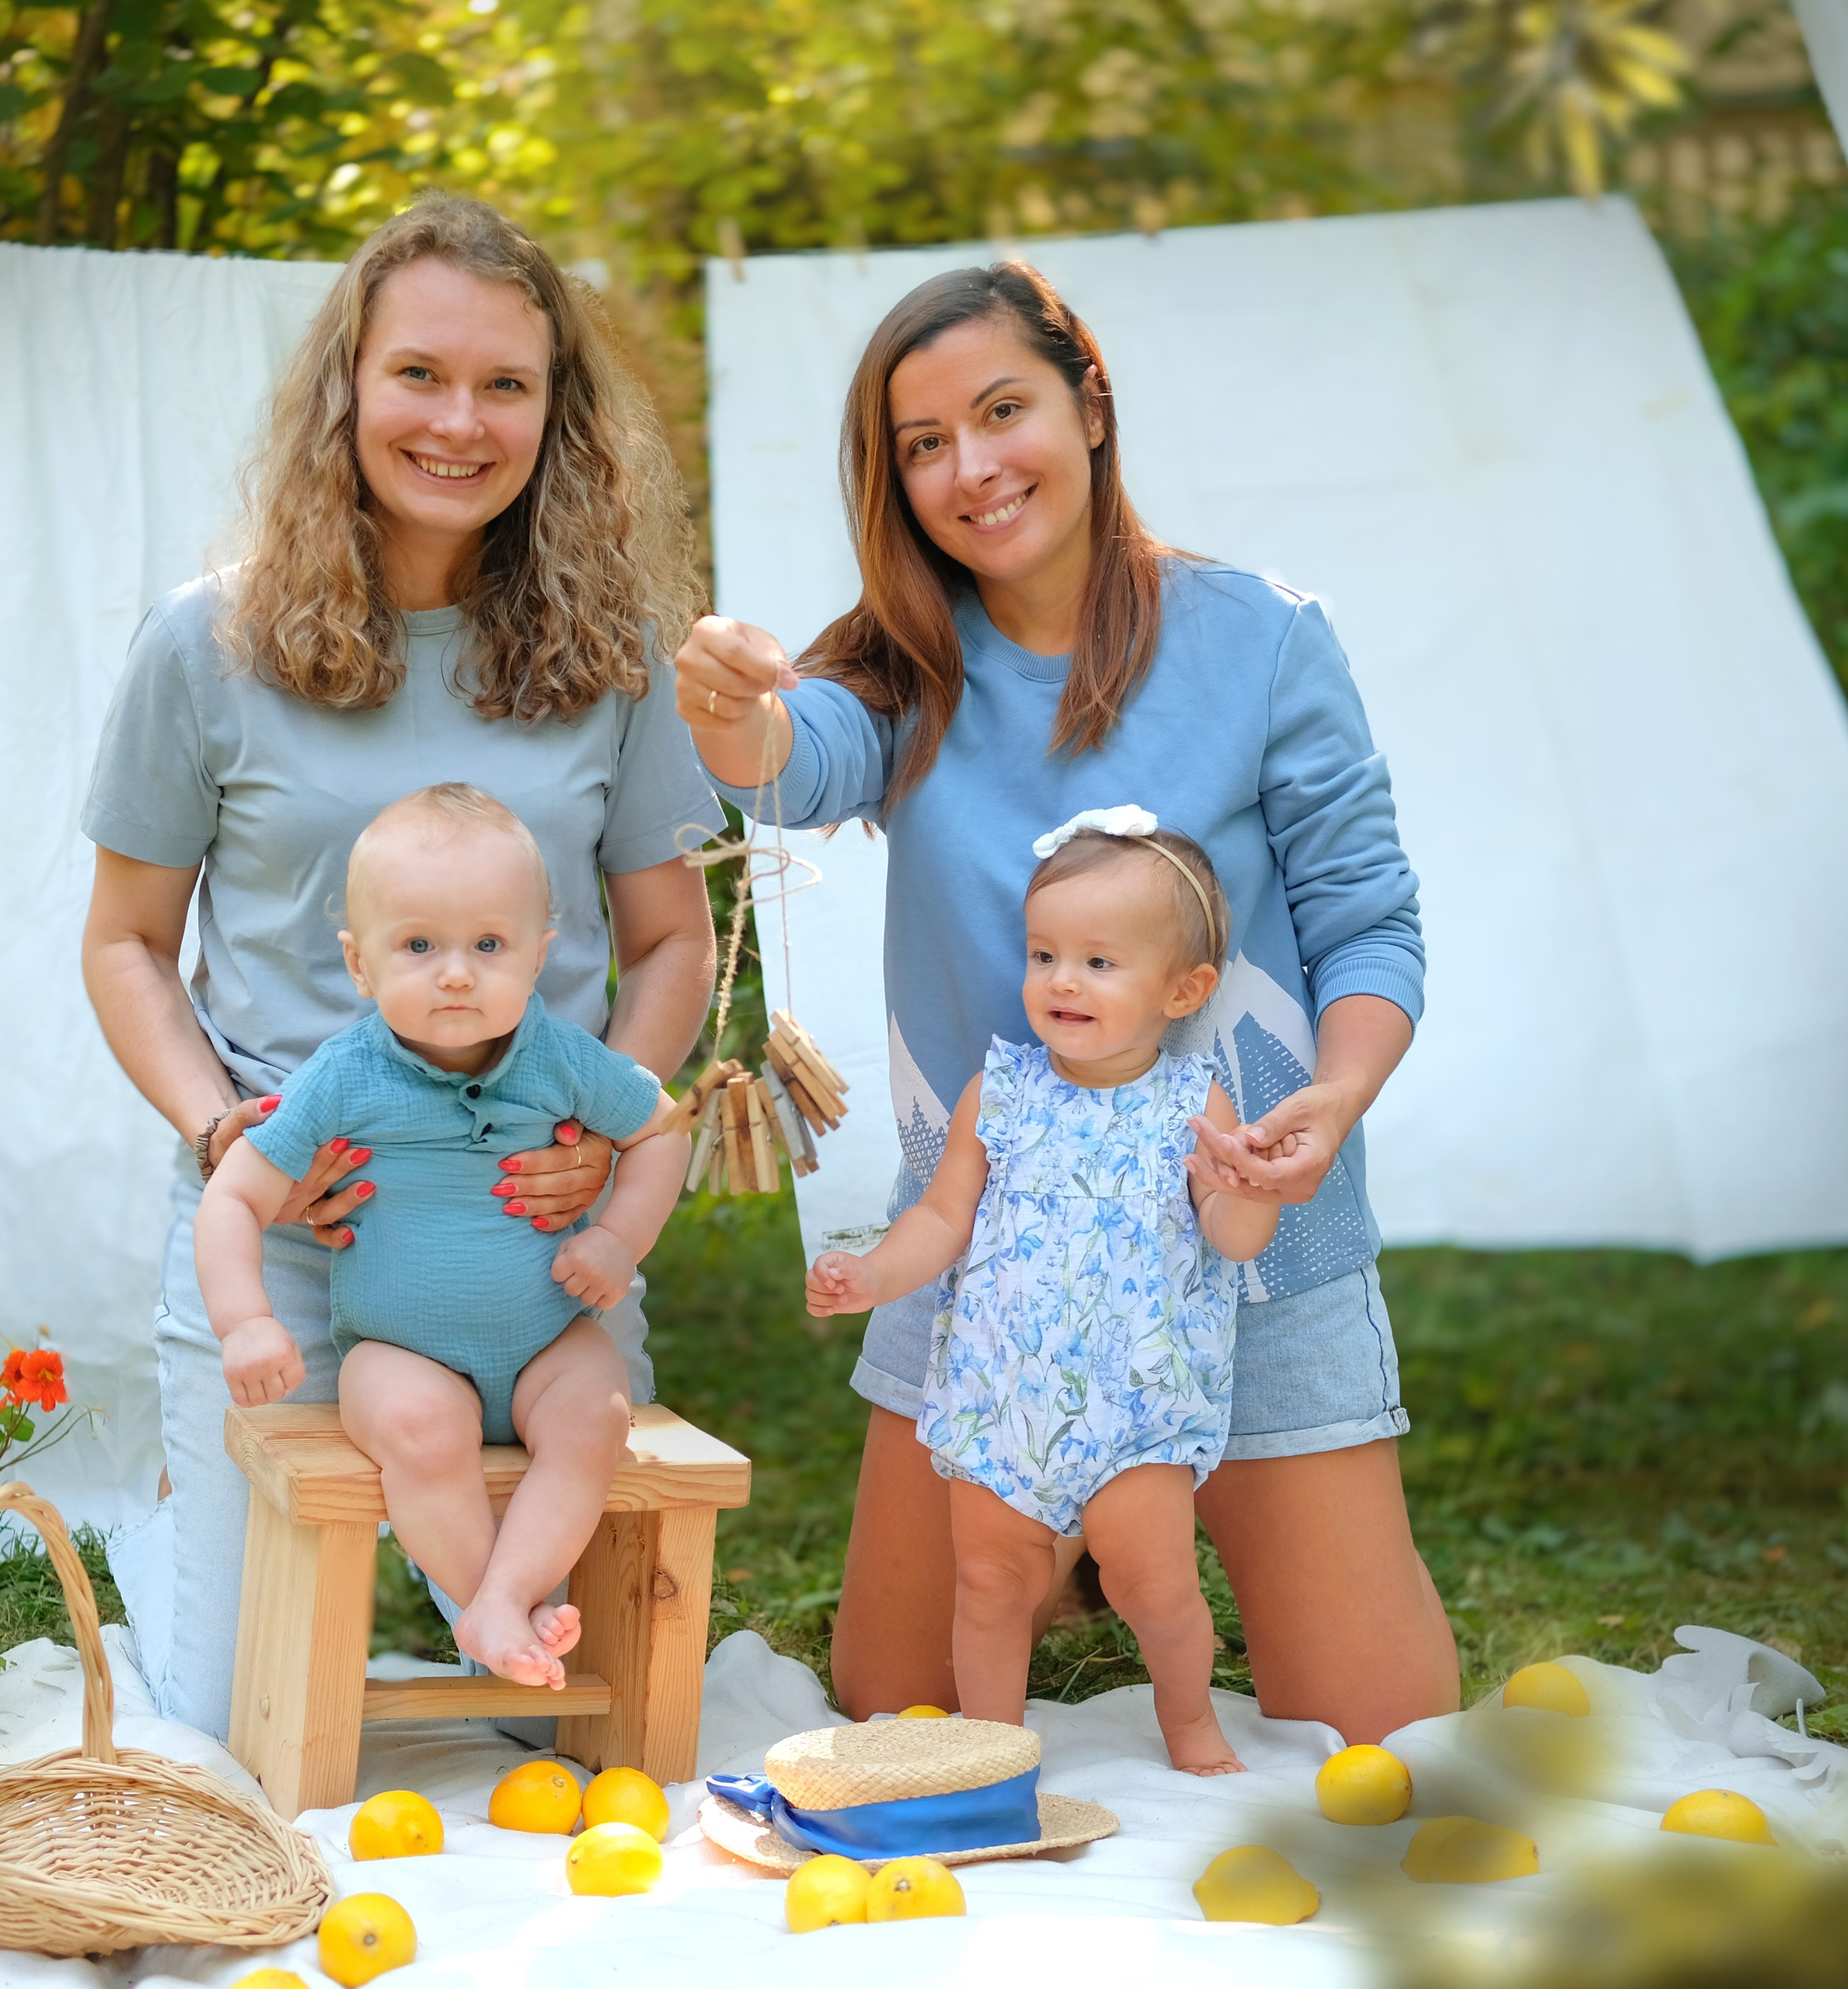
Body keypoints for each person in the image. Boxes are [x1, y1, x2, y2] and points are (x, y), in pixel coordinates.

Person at [675, 260, 1459, 1740]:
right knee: (895, 1706)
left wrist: (1334, 1097)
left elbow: (1369, 922)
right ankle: (1069, 1545)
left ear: (1090, 404)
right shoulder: (902, 674)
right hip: (995, 1278)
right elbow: (788, 756)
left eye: (1001, 410)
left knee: (1384, 1732)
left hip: (1248, 1254)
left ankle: (1132, 1537)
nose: (970, 469)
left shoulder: (1266, 639)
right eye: (922, 444)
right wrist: (725, 699)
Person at [81, 193, 717, 1738]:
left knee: (540, 1701)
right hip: (295, 1224)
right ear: (345, 388)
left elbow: (669, 939)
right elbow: (124, 944)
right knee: (239, 1712)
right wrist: (229, 1135)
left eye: (507, 383)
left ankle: (482, 1603)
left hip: (530, 1238)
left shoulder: (615, 649)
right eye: (419, 373)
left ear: (557, 413)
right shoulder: (205, 645)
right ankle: (170, 1532)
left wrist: (595, 1139)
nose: (459, 419)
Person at [807, 812, 1278, 1773]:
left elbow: (1229, 1242)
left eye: (1100, 962)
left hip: (1134, 1405)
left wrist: (1246, 1189)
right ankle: (994, 1746)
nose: (1062, 980)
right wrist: (874, 1274)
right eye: (1044, 954)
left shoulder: (1194, 1105)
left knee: (1157, 1587)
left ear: (1182, 990)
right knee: (988, 1584)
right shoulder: (1003, 1090)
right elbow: (943, 1220)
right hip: (1002, 1398)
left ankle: (1189, 1724)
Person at [197, 786, 689, 1684]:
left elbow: (663, 1127)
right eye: (419, 946)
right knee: (420, 1427)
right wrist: (246, 1321)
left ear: (540, 956)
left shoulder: (562, 1059)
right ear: (359, 962)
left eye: (488, 945)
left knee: (596, 1412)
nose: (456, 973)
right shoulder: (344, 1076)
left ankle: (506, 1604)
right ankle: (493, 1605)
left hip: (547, 1338)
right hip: (401, 1351)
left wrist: (620, 1236)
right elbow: (233, 1198)